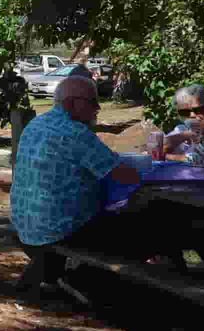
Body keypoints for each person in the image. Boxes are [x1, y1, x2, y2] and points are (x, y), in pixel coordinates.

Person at [11, 76, 144, 291]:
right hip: (59, 230)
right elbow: (124, 175)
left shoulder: (36, 125)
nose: (98, 108)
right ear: (72, 103)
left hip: (26, 225)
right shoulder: (76, 133)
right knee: (141, 225)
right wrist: (147, 170)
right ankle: (100, 285)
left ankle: (67, 277)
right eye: (92, 101)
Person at [163, 84, 204, 166]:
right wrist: (187, 135)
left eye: (198, 110)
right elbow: (157, 150)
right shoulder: (181, 129)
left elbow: (202, 160)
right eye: (184, 112)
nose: (192, 115)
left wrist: (167, 156)